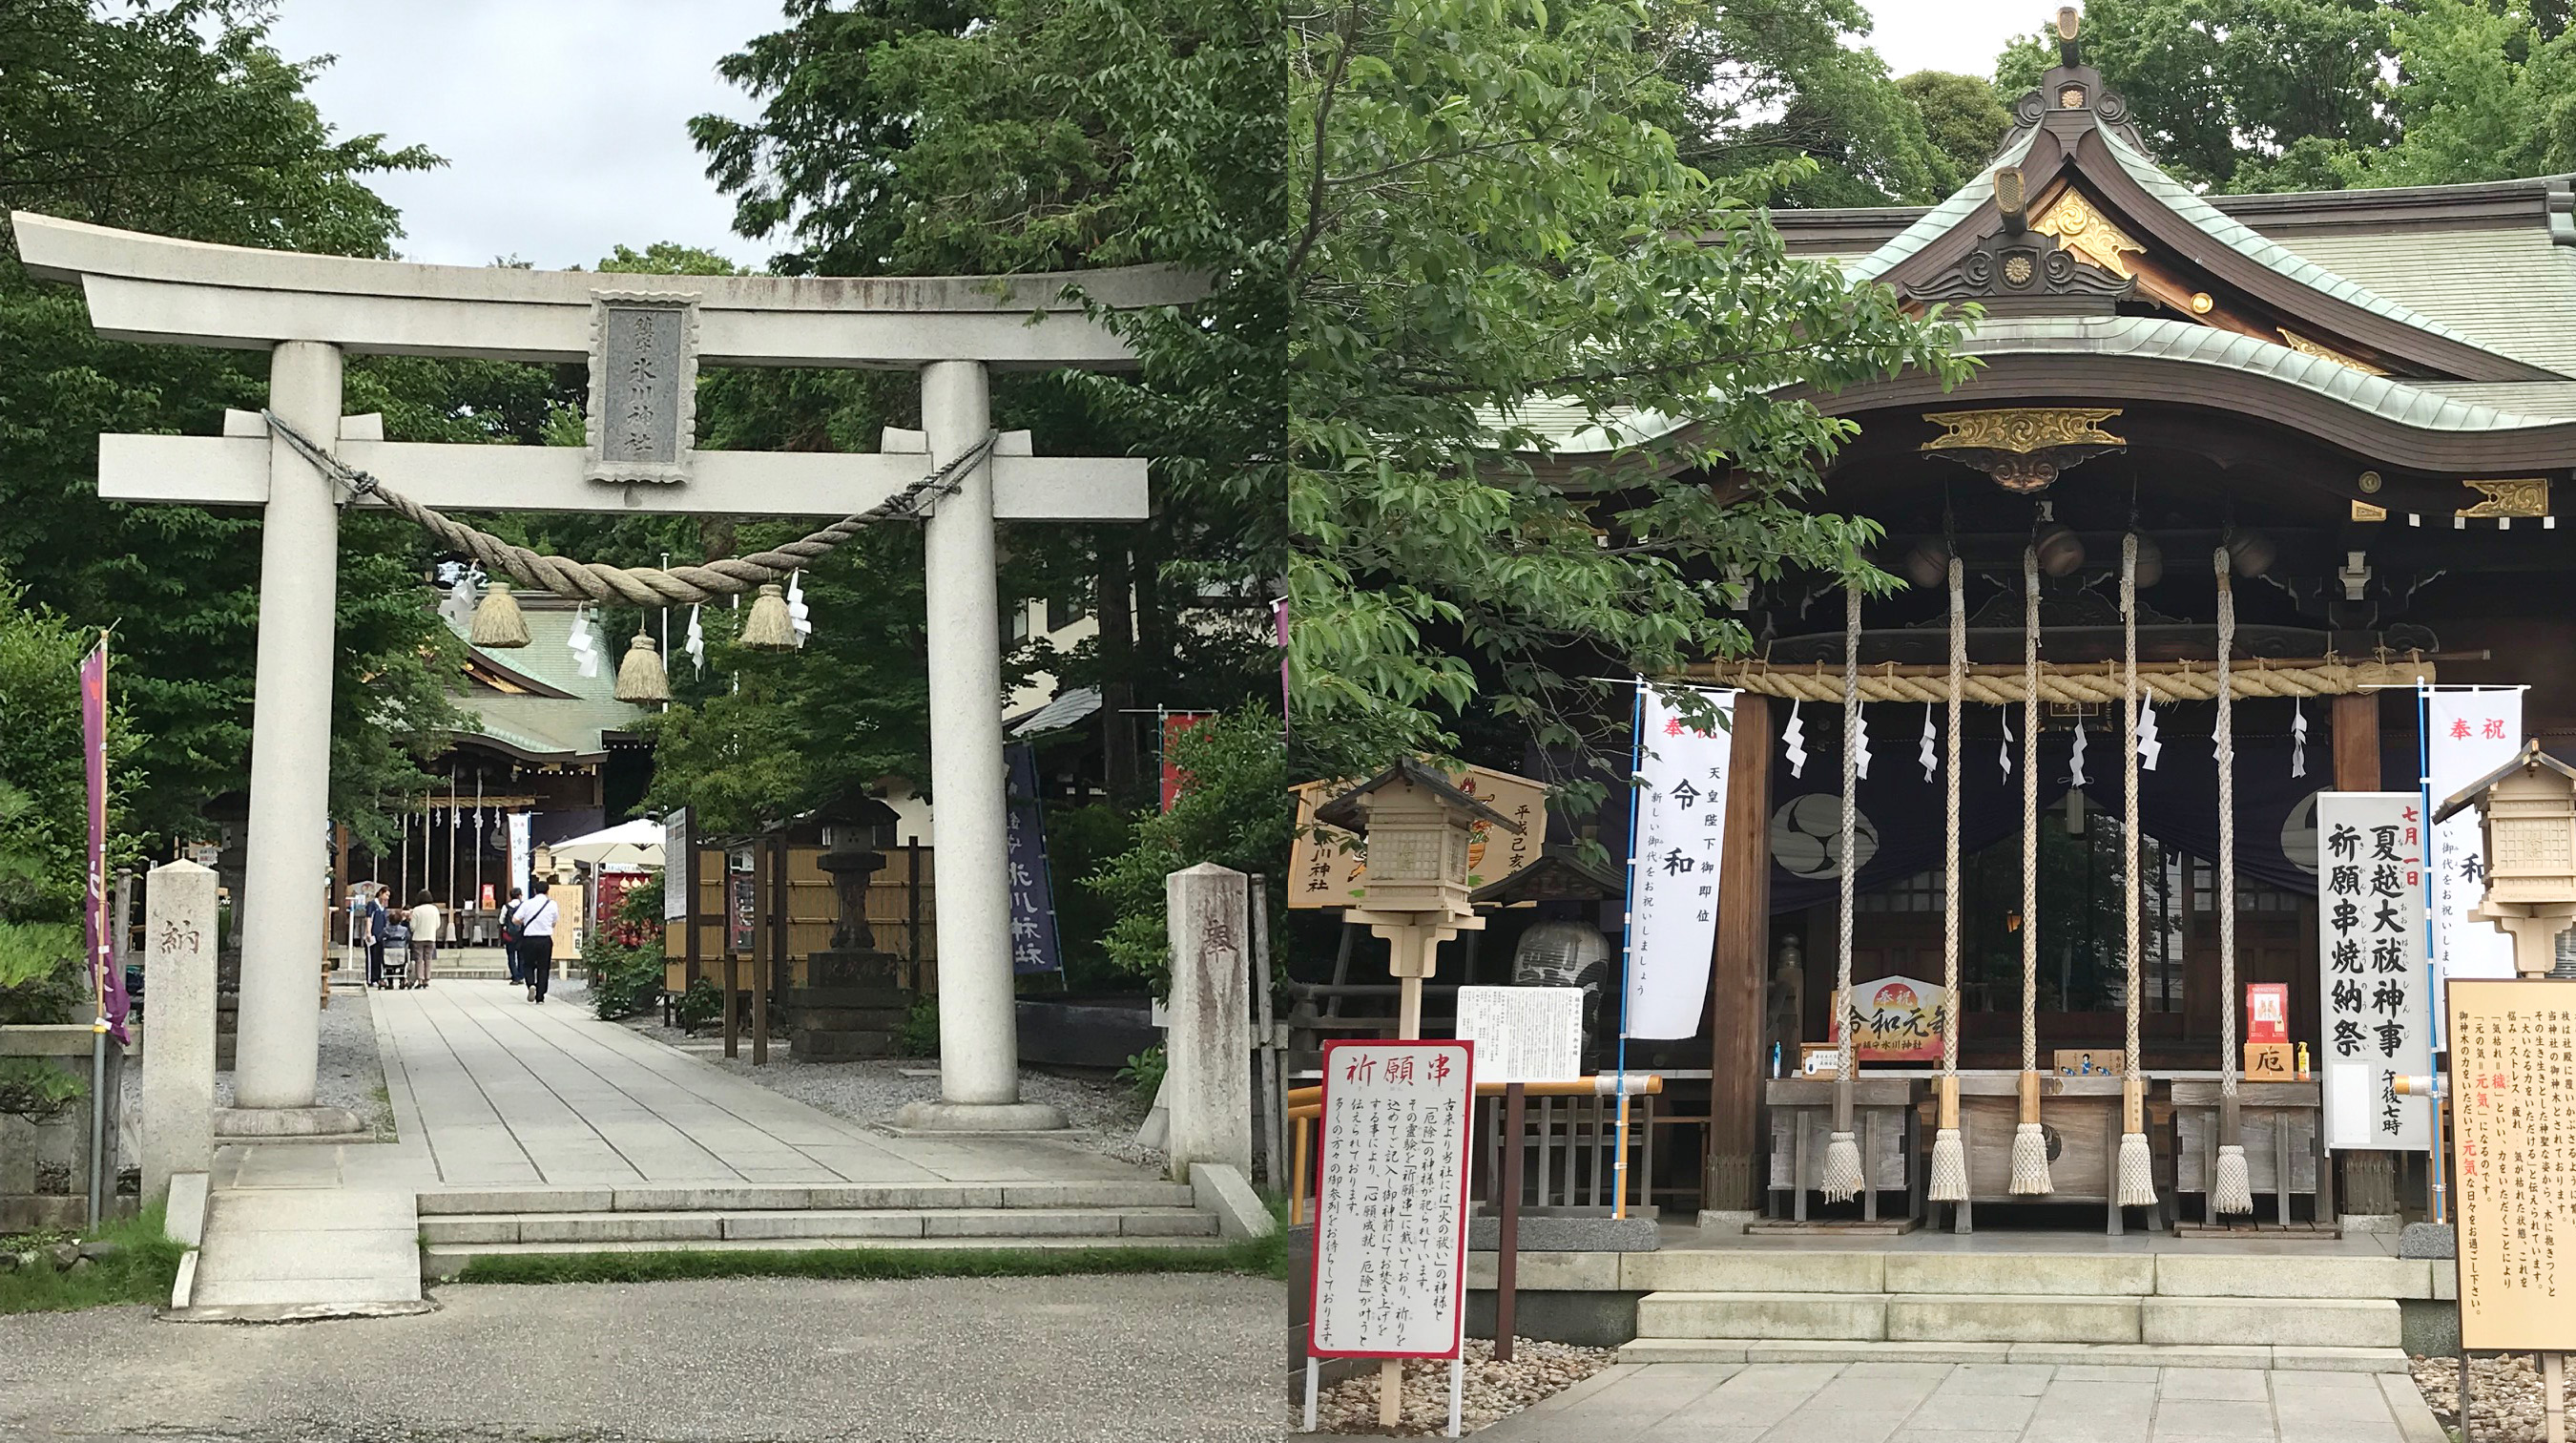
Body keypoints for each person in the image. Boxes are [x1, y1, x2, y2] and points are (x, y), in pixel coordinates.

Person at [512, 883, 560, 1003]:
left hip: (529, 939)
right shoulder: (552, 904)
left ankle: (531, 984)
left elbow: (515, 919)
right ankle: (540, 996)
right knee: (543, 967)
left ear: (534, 891)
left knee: (528, 965)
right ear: (547, 891)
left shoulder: (527, 904)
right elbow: (554, 922)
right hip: (545, 939)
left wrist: (523, 923)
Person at [407, 890, 442, 989]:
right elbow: (438, 924)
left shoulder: (416, 910)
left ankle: (420, 980)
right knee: (428, 959)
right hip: (430, 937)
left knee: (419, 959)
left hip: (418, 938)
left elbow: (413, 926)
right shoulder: (434, 909)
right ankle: (427, 979)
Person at [378, 901, 410, 990]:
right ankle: (402, 980)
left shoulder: (386, 930)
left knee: (387, 963)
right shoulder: (404, 930)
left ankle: (390, 982)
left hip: (388, 953)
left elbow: (379, 938)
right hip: (401, 953)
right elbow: (408, 938)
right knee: (403, 963)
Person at [364, 884, 391, 990]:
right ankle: (371, 979)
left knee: (379, 957)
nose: (387, 898)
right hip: (373, 934)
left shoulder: (383, 907)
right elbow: (369, 918)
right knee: (372, 957)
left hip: (381, 936)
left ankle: (379, 977)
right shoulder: (372, 904)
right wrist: (368, 932)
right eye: (386, 895)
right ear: (381, 893)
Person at [498, 886, 526, 985]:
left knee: (511, 956)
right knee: (521, 956)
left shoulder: (506, 907)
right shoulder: (523, 906)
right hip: (521, 934)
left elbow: (501, 920)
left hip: (509, 934)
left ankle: (515, 977)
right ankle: (521, 975)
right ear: (519, 896)